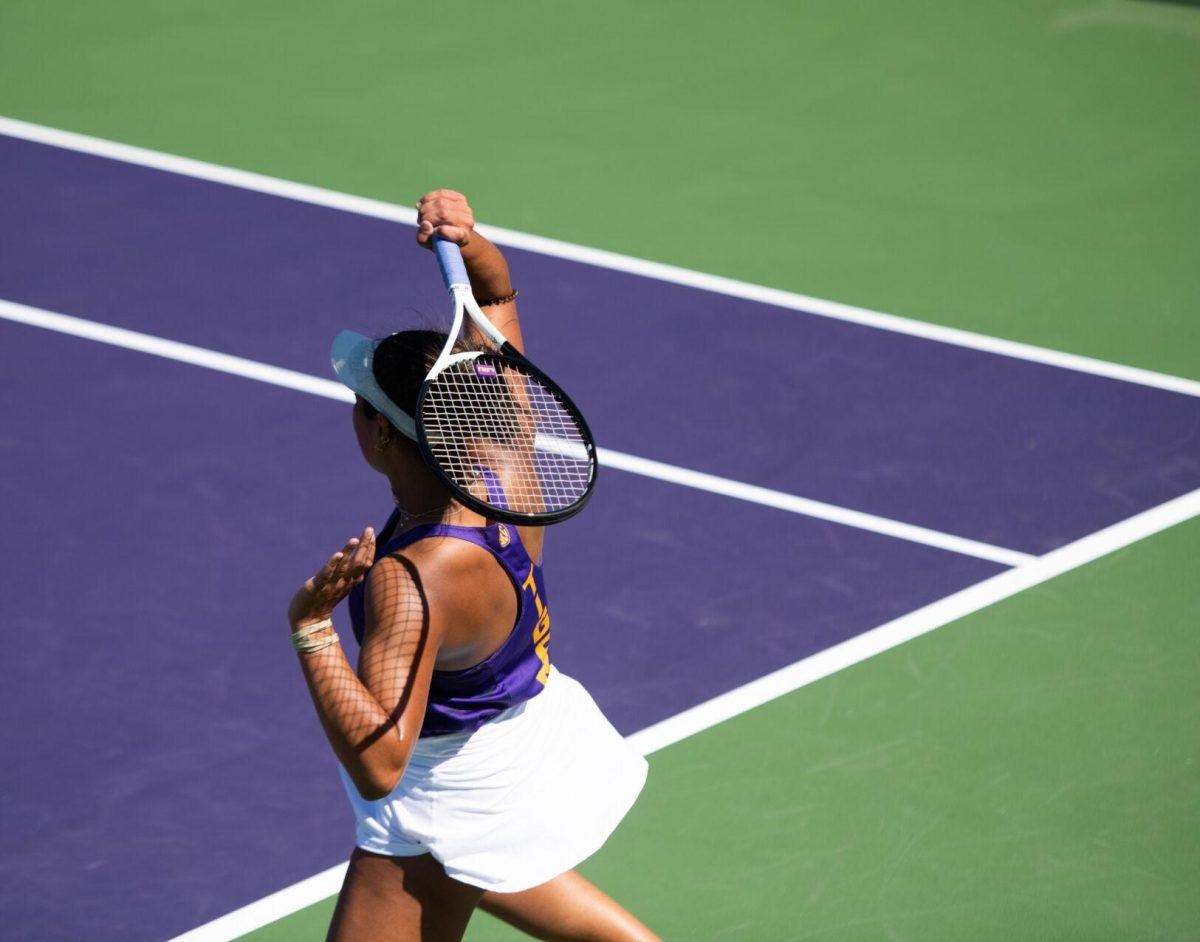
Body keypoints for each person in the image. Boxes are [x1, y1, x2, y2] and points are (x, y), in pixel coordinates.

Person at [286, 190, 658, 942]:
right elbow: (493, 298)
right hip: (519, 737)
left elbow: (382, 762)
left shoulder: (413, 577)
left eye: (360, 403)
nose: (352, 411)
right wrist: (468, 239)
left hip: (444, 793)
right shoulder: (506, 459)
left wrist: (311, 628)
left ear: (388, 440)